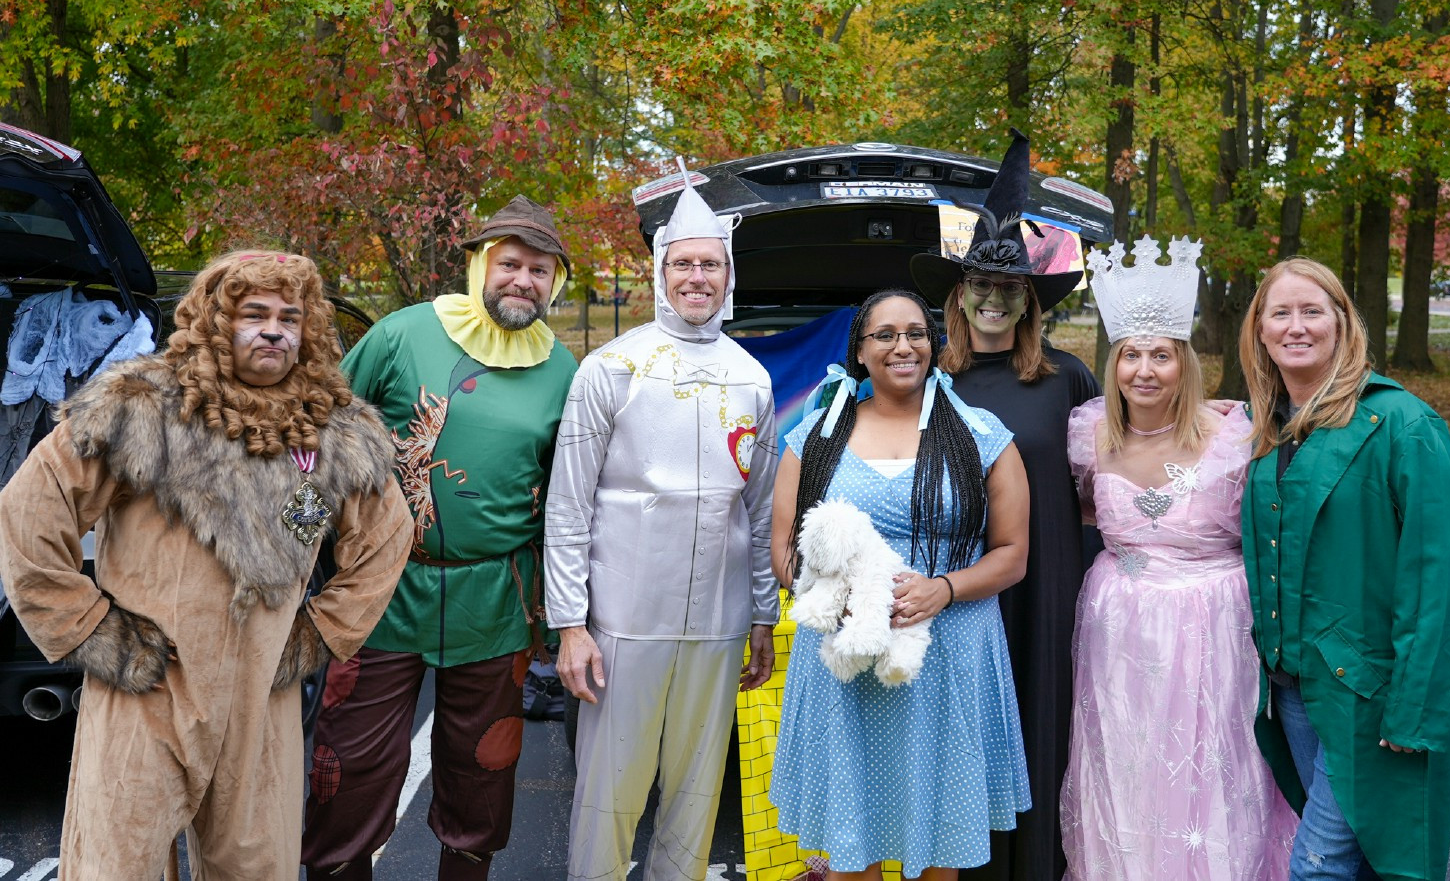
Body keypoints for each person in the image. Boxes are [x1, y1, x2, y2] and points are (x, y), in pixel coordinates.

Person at [0, 251, 412, 881]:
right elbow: (32, 511)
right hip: (148, 684)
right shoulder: (138, 408)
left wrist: (320, 632)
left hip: (260, 696)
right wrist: (90, 630)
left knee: (257, 866)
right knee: (117, 861)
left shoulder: (334, 430)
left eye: (289, 317)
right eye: (254, 314)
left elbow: (385, 539)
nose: (274, 329)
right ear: (218, 321)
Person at [302, 196, 578, 881]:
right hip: (381, 588)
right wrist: (288, 556)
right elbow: (322, 436)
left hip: (496, 597)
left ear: (557, 282)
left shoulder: (567, 371)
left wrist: (552, 608)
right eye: (510, 264)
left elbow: (564, 495)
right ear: (482, 265)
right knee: (352, 764)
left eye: (539, 270)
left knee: (483, 765)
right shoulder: (402, 335)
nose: (523, 280)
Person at [544, 163, 780, 881]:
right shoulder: (611, 369)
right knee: (608, 794)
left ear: (728, 274)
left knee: (697, 792)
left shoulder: (753, 377)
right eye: (684, 263)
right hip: (624, 620)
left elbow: (761, 505)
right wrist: (570, 623)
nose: (697, 277)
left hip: (718, 620)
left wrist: (763, 615)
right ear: (660, 270)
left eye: (711, 264)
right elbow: (568, 505)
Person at [768, 288, 1032, 880]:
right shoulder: (814, 438)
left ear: (935, 345)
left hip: (949, 653)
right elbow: (784, 549)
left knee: (941, 849)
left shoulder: (980, 435)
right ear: (860, 352)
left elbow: (1013, 554)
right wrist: (834, 604)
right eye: (884, 335)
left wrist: (945, 588)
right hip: (850, 656)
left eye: (916, 332)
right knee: (850, 847)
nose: (902, 346)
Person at [1059, 236, 1296, 879]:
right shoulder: (1088, 435)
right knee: (1127, 762)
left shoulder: (1236, 434)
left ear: (1183, 363)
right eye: (1131, 355)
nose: (1144, 370)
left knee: (1216, 764)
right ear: (1114, 365)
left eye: (1160, 355)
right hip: (1120, 626)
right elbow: (1085, 508)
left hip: (1215, 625)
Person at [908, 130, 1097, 881]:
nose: (993, 298)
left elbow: (1100, 488)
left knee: (1042, 723)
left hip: (1049, 585)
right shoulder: (928, 380)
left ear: (1030, 299)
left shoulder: (1067, 378)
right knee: (966, 740)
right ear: (959, 295)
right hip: (960, 593)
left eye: (1009, 287)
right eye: (980, 286)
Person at [1239, 258, 1450, 881]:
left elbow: (1433, 582)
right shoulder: (1268, 430)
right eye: (1279, 313)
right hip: (1290, 691)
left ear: (1343, 323)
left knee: (1318, 865)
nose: (1296, 326)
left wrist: (1414, 708)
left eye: (1312, 311)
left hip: (1369, 697)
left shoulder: (1403, 425)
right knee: (1355, 860)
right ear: (1259, 329)